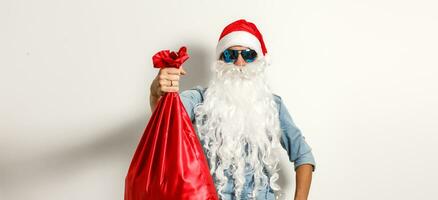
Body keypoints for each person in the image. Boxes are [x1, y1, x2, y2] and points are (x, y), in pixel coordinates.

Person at [149, 19, 316, 200]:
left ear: (259, 60)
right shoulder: (201, 99)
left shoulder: (272, 105)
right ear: (220, 61)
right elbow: (166, 118)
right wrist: (156, 92)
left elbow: (303, 155)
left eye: (248, 54)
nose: (239, 63)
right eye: (230, 55)